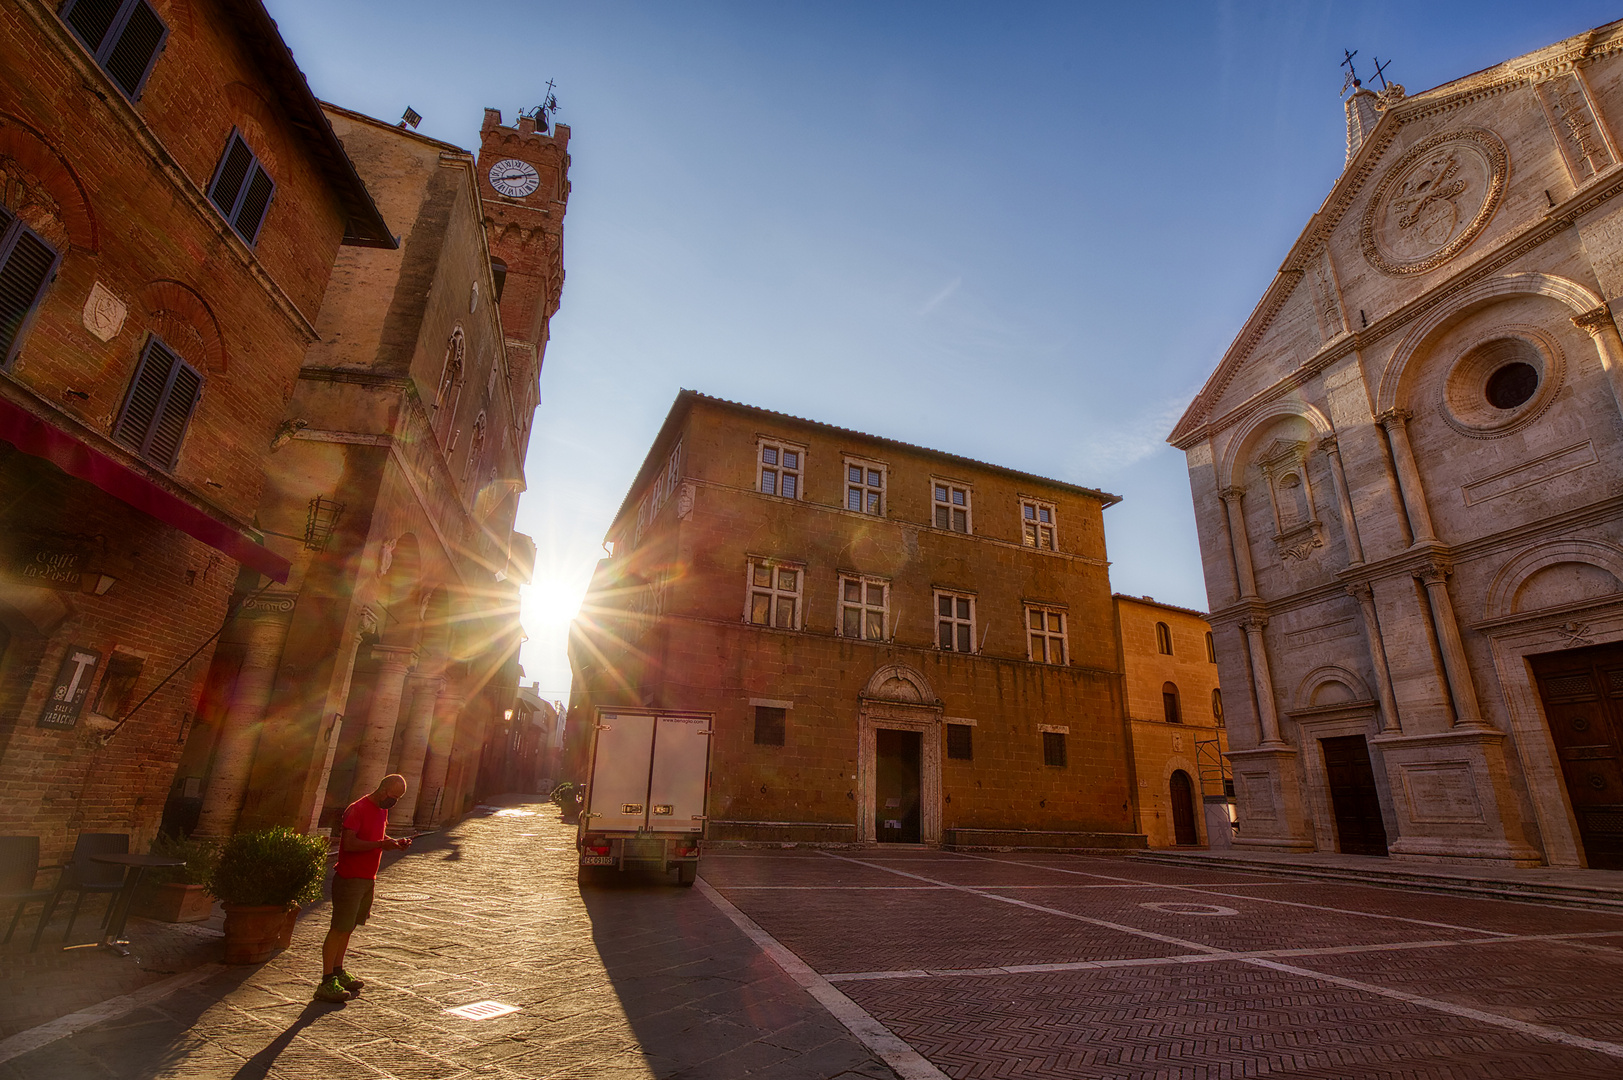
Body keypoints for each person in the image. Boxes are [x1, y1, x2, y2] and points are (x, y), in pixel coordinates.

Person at [315, 774, 413, 1003]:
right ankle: (326, 980)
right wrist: (381, 844)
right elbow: (348, 843)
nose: (394, 802)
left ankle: (338, 971)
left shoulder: (382, 810)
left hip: (368, 878)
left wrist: (394, 843)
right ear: (383, 789)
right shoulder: (357, 809)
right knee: (338, 927)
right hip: (350, 877)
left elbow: (377, 836)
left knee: (349, 928)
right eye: (394, 797)